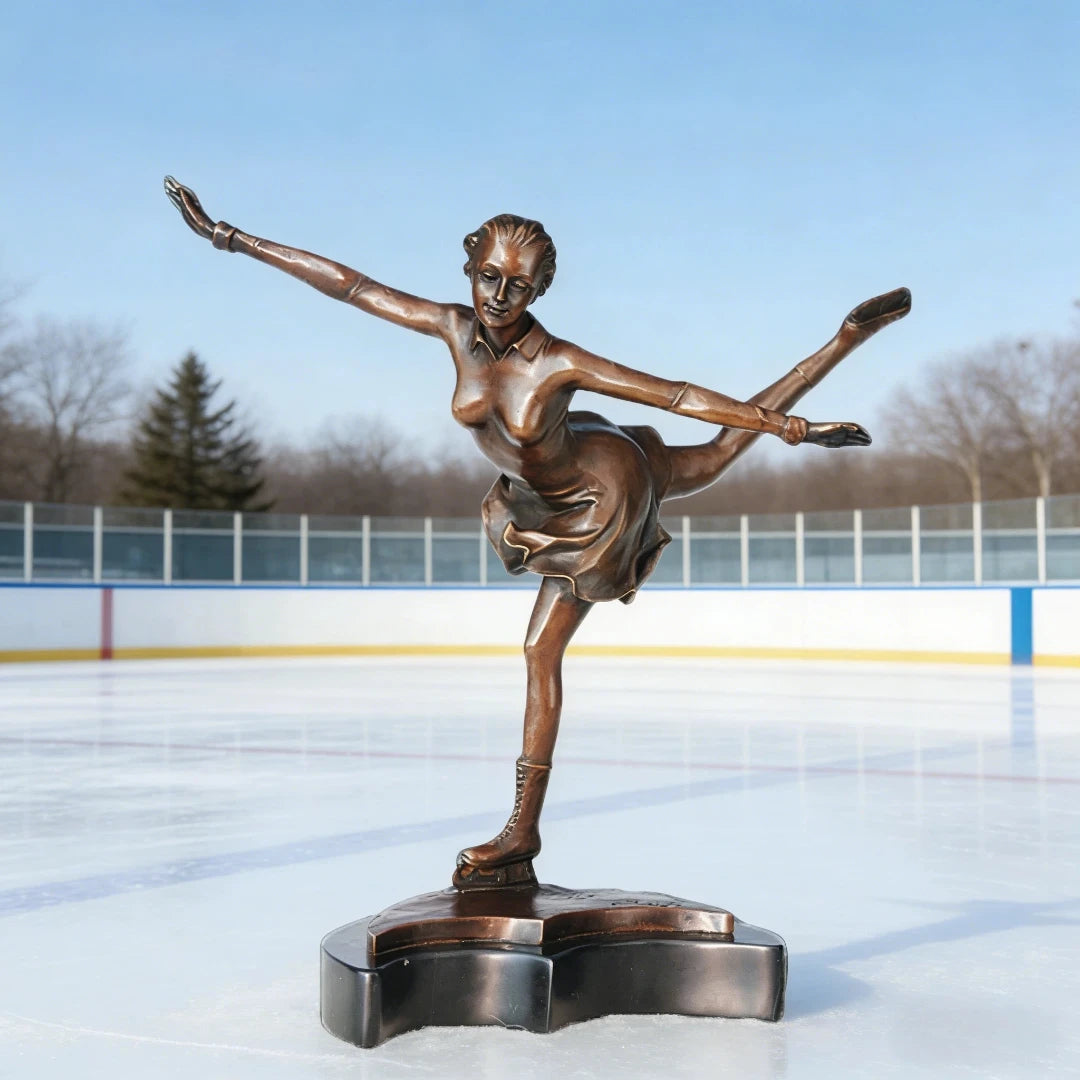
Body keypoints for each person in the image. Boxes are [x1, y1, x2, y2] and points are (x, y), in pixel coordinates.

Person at [164, 178, 911, 887]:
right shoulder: (456, 328)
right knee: (692, 482)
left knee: (557, 628)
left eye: (518, 285)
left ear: (541, 289)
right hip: (536, 496)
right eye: (488, 277)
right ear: (470, 269)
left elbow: (678, 394)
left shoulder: (559, 360)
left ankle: (522, 829)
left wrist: (791, 429)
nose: (498, 296)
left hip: (599, 494)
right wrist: (228, 236)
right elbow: (353, 286)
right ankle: (522, 833)